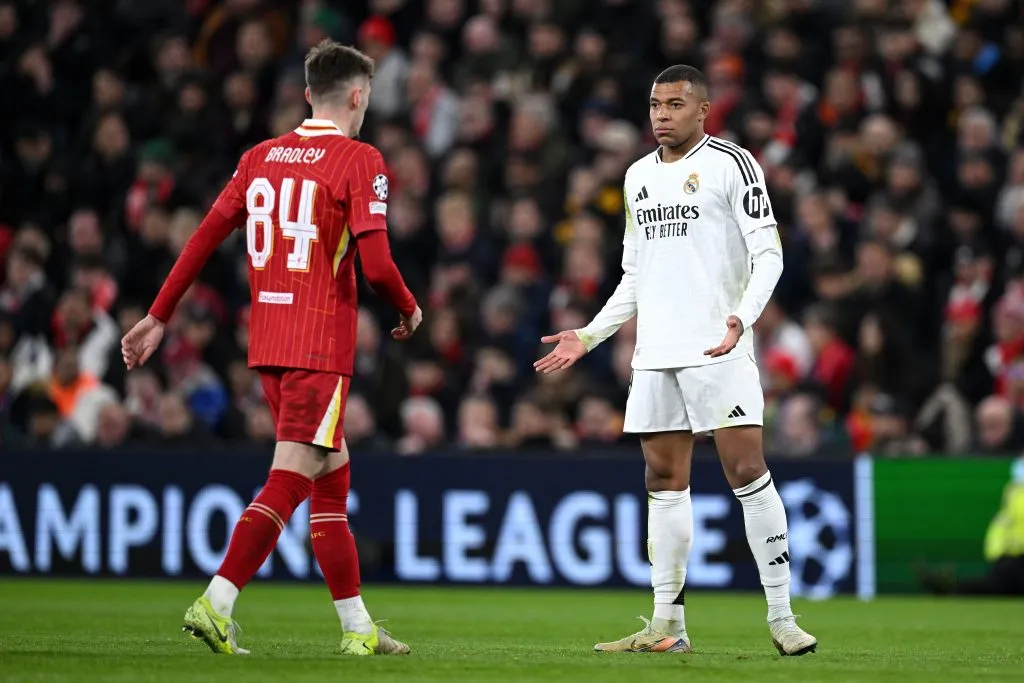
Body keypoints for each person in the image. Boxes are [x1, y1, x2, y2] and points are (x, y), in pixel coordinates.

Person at [121, 40, 422, 656]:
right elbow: (379, 264)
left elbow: (204, 237)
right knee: (291, 477)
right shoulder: (359, 159)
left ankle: (358, 629)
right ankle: (217, 600)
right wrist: (410, 307)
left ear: (309, 94)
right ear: (358, 95)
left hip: (267, 342)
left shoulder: (259, 156)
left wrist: (157, 316)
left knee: (331, 477)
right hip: (319, 344)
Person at [535, 65, 817, 656]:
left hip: (719, 345)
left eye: (674, 104)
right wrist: (588, 336)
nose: (662, 114)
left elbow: (769, 253)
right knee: (663, 480)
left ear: (702, 110)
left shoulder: (732, 163)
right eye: (655, 105)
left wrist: (744, 316)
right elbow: (634, 277)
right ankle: (668, 626)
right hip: (657, 351)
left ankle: (783, 618)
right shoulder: (637, 177)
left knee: (745, 471)